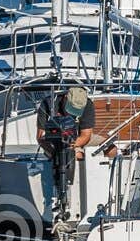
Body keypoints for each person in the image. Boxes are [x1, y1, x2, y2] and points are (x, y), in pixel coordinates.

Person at [36, 85, 96, 215]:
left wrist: (74, 146)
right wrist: (54, 151)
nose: (73, 112)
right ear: (65, 98)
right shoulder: (48, 103)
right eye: (71, 108)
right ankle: (58, 198)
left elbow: (86, 135)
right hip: (52, 142)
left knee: (110, 150)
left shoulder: (87, 104)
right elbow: (40, 137)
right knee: (66, 156)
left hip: (77, 140)